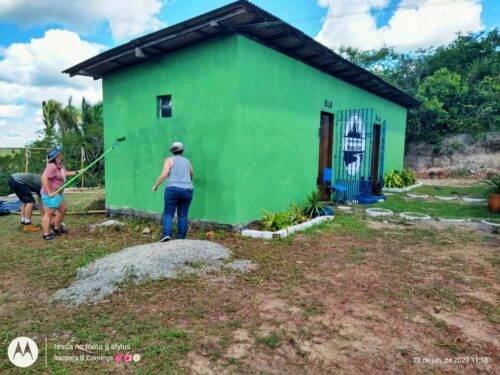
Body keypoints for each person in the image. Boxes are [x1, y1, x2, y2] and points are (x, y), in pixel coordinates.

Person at [152, 141, 194, 242]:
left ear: (172, 151)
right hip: (187, 190)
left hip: (173, 189)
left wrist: (155, 185)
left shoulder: (169, 160)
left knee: (169, 213)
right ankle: (181, 237)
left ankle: (167, 234)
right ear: (182, 150)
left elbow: (164, 175)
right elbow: (192, 175)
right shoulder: (187, 161)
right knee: (183, 214)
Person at [40, 146, 77, 241]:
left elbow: (65, 173)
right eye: (60, 153)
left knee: (63, 209)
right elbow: (44, 177)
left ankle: (56, 228)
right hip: (50, 193)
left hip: (57, 193)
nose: (62, 154)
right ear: (57, 155)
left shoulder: (60, 165)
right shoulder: (51, 166)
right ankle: (46, 234)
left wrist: (77, 172)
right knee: (49, 213)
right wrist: (49, 192)